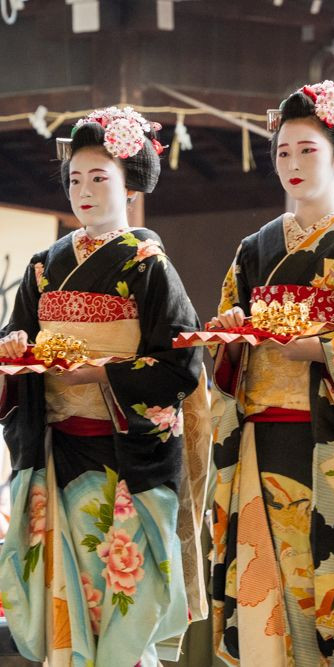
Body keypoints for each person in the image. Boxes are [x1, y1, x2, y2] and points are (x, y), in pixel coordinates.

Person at [0, 107, 209, 667]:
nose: (84, 192)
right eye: (75, 180)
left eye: (99, 178)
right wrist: (15, 347)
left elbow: (180, 362)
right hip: (57, 453)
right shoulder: (43, 267)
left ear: (130, 185)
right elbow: (16, 340)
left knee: (122, 608)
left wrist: (98, 372)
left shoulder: (148, 265)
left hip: (125, 457)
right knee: (66, 607)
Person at [209, 81, 334, 666]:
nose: (292, 163)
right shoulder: (254, 249)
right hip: (258, 439)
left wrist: (320, 350)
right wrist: (233, 332)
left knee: (330, 582)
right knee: (262, 580)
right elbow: (227, 337)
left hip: (331, 441)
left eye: (307, 150)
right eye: (283, 152)